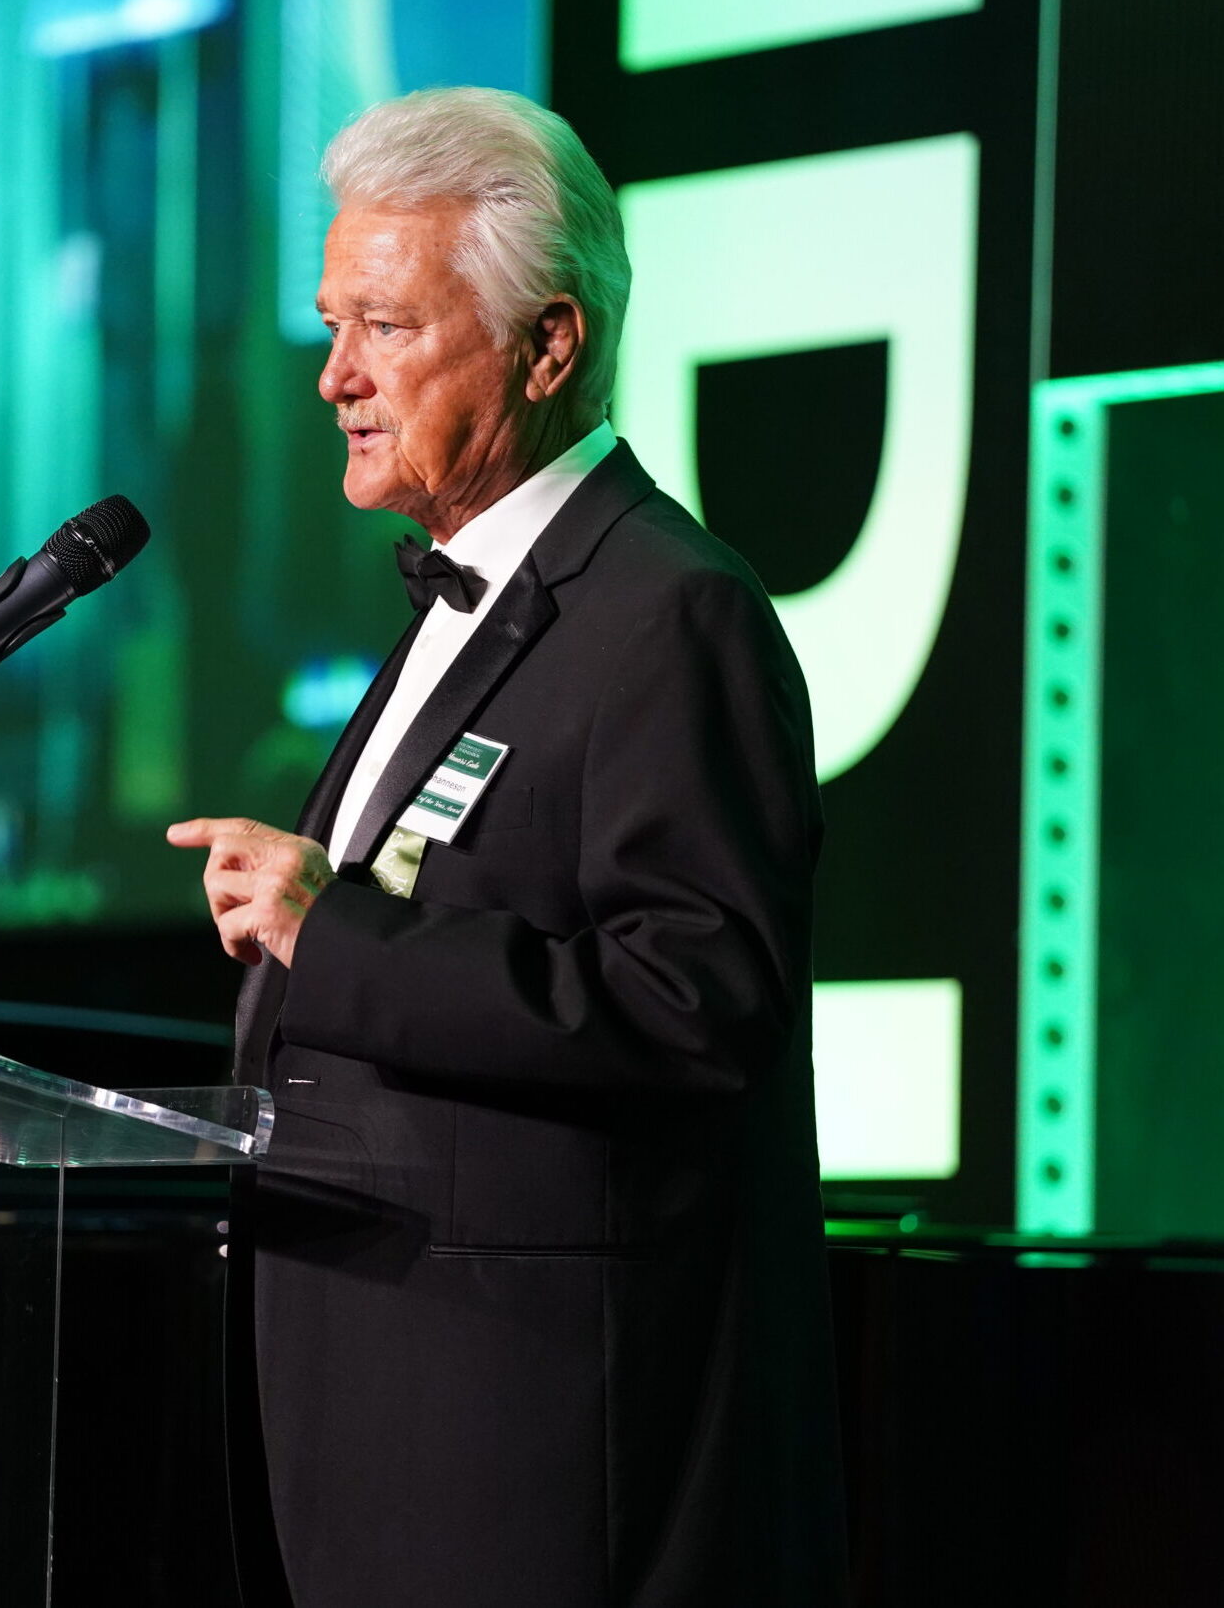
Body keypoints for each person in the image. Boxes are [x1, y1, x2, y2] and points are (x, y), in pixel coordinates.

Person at [169, 87, 845, 1608]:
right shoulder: (458, 600)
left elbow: (698, 1000)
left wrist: (327, 929)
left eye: (387, 329)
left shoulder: (673, 612)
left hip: (532, 1457)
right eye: (333, 325)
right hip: (368, 1416)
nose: (334, 375)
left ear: (550, 345)